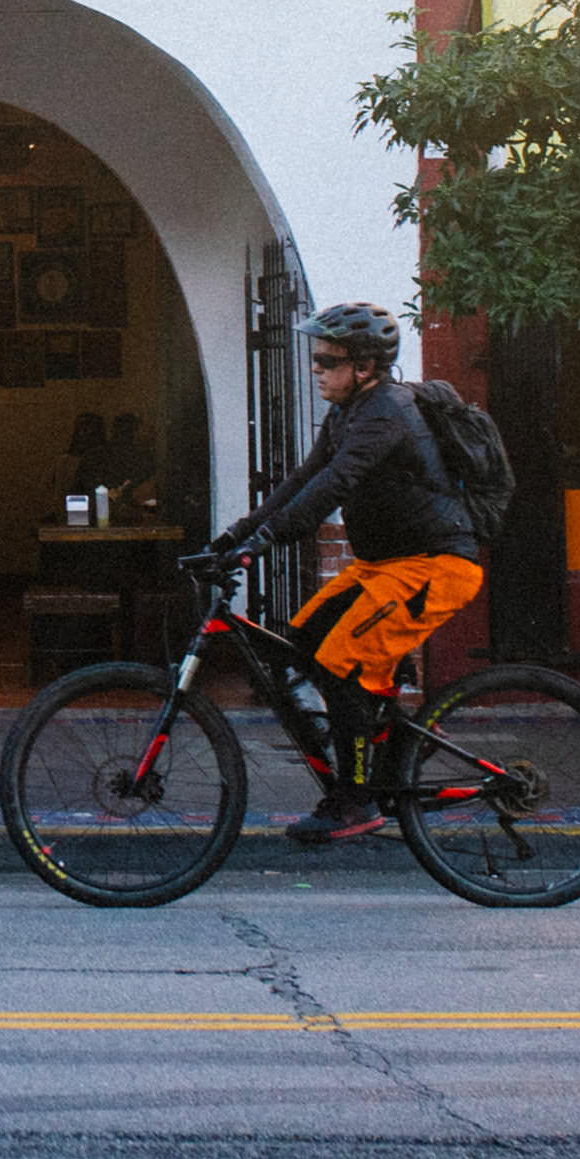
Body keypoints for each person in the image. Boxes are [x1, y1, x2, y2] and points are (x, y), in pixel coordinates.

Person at [207, 300, 485, 846]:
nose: (316, 368)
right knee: (303, 643)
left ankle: (355, 800)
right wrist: (234, 536)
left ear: (364, 367)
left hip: (435, 566)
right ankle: (393, 744)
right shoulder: (347, 413)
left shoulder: (385, 413)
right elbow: (302, 481)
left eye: (327, 360)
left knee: (342, 665)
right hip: (383, 567)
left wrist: (266, 541)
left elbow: (335, 484)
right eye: (316, 358)